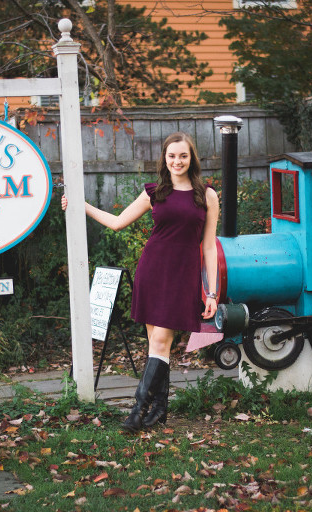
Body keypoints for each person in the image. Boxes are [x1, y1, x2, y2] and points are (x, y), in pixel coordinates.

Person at [62, 132, 219, 433]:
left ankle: (137, 410)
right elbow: (118, 222)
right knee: (156, 347)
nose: (177, 161)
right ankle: (159, 410)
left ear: (191, 158)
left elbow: (209, 246)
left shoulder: (206, 195)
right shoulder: (155, 192)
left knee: (161, 343)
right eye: (171, 156)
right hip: (153, 269)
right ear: (165, 158)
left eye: (183, 156)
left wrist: (210, 291)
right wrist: (81, 205)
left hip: (183, 275)